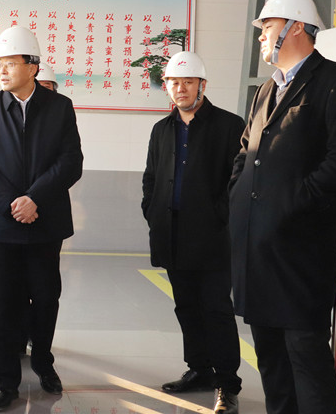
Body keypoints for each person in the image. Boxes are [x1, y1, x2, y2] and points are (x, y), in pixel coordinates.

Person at [229, 0, 336, 414]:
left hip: (300, 250)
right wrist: (238, 195)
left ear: (295, 27)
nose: (261, 37)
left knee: (306, 357)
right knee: (271, 359)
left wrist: (293, 203)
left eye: (268, 27)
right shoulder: (266, 90)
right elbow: (246, 151)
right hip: (258, 249)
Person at [0, 25, 84, 412]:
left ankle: (43, 363)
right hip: (2, 224)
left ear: (32, 67)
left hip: (46, 221)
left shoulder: (60, 107)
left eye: (10, 62)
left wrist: (34, 199)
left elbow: (71, 161)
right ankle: (6, 382)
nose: (1, 70)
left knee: (46, 297)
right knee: (3, 302)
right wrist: (12, 203)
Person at [141, 51, 244, 414]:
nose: (180, 88)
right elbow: (151, 177)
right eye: (174, 82)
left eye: (188, 82)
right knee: (185, 306)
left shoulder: (229, 126)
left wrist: (219, 216)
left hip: (212, 236)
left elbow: (238, 179)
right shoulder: (162, 129)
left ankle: (227, 384)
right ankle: (199, 369)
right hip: (171, 233)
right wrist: (151, 210)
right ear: (166, 85)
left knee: (216, 309)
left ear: (202, 85)